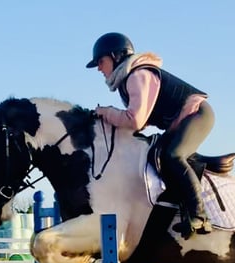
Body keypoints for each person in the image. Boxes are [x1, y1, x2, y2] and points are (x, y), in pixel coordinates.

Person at [88, 32, 214, 237]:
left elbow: (135, 120)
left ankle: (199, 216)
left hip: (198, 114)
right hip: (179, 122)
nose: (99, 68)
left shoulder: (138, 75)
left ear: (116, 56)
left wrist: (107, 112)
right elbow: (139, 124)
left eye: (101, 61)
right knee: (154, 155)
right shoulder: (127, 79)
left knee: (173, 155)